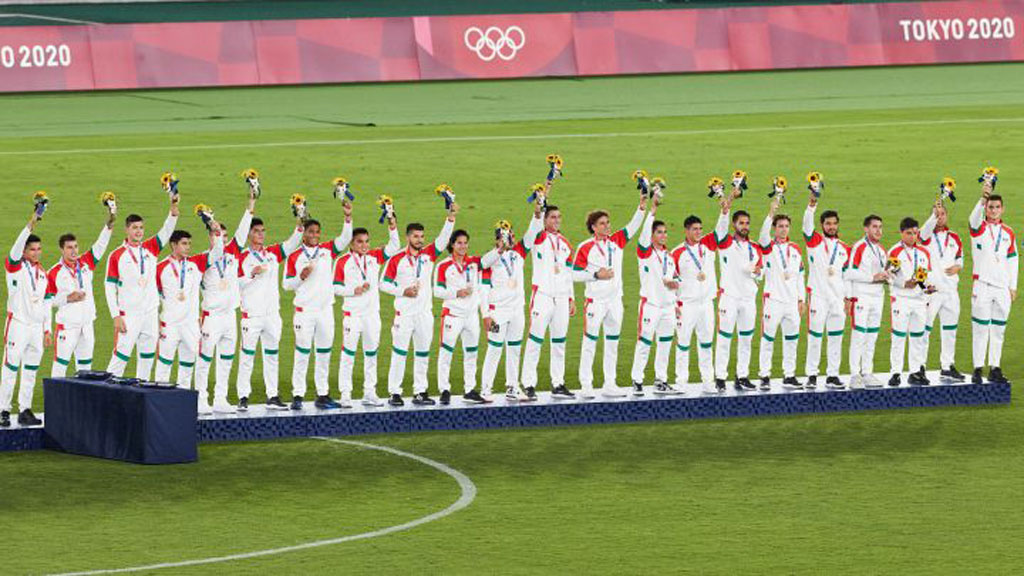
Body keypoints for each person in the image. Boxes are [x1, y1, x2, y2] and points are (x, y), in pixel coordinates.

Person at [381, 204, 457, 406]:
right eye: (416, 237)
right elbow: (383, 283)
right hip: (404, 314)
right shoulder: (396, 258)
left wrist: (451, 218)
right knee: (399, 354)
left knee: (423, 354)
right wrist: (402, 291)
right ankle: (394, 393)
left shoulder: (428, 255)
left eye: (422, 236)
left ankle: (420, 392)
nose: (420, 240)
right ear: (408, 237)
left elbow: (442, 240)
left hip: (424, 314)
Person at [571, 199, 647, 398]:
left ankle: (609, 383)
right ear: (593, 227)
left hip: (615, 301)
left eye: (608, 222)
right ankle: (586, 385)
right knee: (590, 342)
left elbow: (633, 225)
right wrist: (596, 275)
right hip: (595, 302)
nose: (607, 226)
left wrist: (641, 206)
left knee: (612, 343)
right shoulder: (585, 247)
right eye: (603, 223)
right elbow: (573, 274)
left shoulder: (616, 241)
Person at [283, 205, 354, 410]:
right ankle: (297, 395)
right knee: (302, 354)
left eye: (317, 232)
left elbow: (344, 238)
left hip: (325, 312)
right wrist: (300, 277)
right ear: (303, 234)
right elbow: (286, 284)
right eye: (310, 232)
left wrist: (348, 217)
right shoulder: (295, 256)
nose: (314, 235)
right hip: (305, 313)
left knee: (324, 354)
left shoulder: (326, 251)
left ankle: (322, 394)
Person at [105, 194, 179, 379]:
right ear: (127, 230)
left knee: (147, 356)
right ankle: (107, 395)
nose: (139, 231)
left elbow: (167, 229)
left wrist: (173, 207)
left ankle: (140, 394)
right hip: (128, 314)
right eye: (134, 228)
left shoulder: (151, 248)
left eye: (141, 228)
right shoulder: (117, 255)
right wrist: (116, 316)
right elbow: (109, 286)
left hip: (150, 312)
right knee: (120, 356)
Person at [236, 212, 304, 411]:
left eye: (263, 231)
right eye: (256, 231)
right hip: (252, 316)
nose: (261, 234)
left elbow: (292, 243)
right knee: (247, 357)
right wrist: (251, 273)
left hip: (272, 315)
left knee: (272, 355)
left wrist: (300, 224)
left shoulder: (273, 254)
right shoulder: (241, 257)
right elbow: (235, 284)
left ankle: (272, 395)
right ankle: (242, 396)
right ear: (249, 234)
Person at [192, 200, 254, 414]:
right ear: (210, 236)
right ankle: (200, 398)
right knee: (205, 358)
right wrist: (213, 226)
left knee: (226, 358)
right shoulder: (202, 259)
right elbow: (216, 252)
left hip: (230, 316)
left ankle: (220, 398)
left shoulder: (233, 256)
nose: (223, 240)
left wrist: (250, 204)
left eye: (226, 237)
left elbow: (243, 230)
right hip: (212, 317)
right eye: (219, 236)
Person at [333, 217, 400, 407]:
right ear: (352, 243)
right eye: (360, 242)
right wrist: (352, 291)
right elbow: (335, 287)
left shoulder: (374, 259)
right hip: (352, 316)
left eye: (367, 241)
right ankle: (345, 393)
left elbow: (395, 245)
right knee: (348, 354)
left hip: (372, 315)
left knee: (371, 354)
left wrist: (392, 224)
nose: (364, 245)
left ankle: (369, 392)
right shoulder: (342, 261)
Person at [154, 228, 223, 409]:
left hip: (190, 325)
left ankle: (181, 405)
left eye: (189, 244)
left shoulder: (195, 264)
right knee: (164, 365)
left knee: (188, 363)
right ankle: (161, 405)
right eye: (184, 244)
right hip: (169, 324)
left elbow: (218, 252)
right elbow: (154, 297)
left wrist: (215, 230)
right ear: (173, 245)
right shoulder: (160, 268)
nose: (187, 247)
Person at [670, 197, 730, 394]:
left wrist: (724, 212)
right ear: (686, 231)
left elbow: (721, 229)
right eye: (694, 229)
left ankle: (707, 381)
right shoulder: (677, 253)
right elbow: (671, 281)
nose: (698, 232)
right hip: (686, 305)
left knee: (706, 343)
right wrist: (674, 304)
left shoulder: (708, 246)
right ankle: (681, 382)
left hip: (706, 304)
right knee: (683, 344)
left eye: (700, 229)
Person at [47, 205, 115, 377]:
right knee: (60, 367)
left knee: (85, 369)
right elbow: (46, 301)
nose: (74, 251)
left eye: (76, 247)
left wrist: (110, 222)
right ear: (62, 249)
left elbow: (100, 245)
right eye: (70, 247)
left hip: (87, 324)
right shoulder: (54, 272)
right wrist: (67, 298)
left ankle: (80, 403)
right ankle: (56, 402)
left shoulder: (85, 264)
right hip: (67, 327)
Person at [479, 216, 542, 401]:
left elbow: (533, 229)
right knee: (494, 349)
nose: (510, 239)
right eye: (505, 236)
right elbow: (483, 264)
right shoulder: (492, 258)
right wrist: (486, 315)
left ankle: (512, 386)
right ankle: (485, 389)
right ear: (497, 239)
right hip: (498, 312)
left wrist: (538, 212)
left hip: (517, 311)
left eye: (511, 235)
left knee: (514, 349)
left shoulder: (519, 253)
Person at [521, 201, 577, 399]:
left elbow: (568, 272)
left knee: (559, 342)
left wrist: (571, 297)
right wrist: (538, 209)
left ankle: (558, 383)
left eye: (559, 217)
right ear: (545, 220)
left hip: (561, 297)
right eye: (552, 217)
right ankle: (528, 384)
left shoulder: (565, 244)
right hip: (542, 296)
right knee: (535, 341)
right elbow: (534, 227)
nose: (556, 220)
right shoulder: (539, 238)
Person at [1, 211, 50, 427]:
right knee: (10, 368)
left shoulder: (43, 273)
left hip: (35, 328)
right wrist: (32, 222)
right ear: (24, 250)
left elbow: (45, 304)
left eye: (39, 249)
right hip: (18, 325)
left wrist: (46, 329)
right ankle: (3, 410)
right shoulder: (14, 267)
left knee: (30, 369)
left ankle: (25, 409)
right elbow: (16, 246)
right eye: (32, 249)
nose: (36, 253)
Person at [630, 195, 681, 394]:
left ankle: (661, 380)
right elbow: (643, 236)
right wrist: (652, 211)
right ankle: (637, 380)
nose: (663, 235)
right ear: (651, 235)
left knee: (665, 344)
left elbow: (676, 279)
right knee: (644, 343)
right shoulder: (645, 252)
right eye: (659, 232)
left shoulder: (669, 256)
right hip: (650, 305)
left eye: (665, 232)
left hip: (668, 307)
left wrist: (675, 300)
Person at [968, 181, 1018, 384]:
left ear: (1002, 209)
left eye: (997, 207)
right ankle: (978, 368)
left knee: (999, 330)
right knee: (980, 328)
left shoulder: (1008, 232)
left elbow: (1013, 260)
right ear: (986, 209)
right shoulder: (978, 228)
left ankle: (995, 367)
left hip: (1002, 288)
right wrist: (982, 199)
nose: (994, 210)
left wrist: (1013, 286)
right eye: (991, 207)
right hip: (982, 286)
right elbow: (972, 219)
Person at [714, 191, 764, 391]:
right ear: (734, 224)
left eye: (747, 223)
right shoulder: (726, 244)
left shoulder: (755, 247)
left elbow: (761, 273)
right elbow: (720, 230)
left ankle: (742, 376)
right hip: (729, 298)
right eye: (741, 223)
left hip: (748, 299)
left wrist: (758, 272)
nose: (745, 226)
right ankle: (720, 377)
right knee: (724, 339)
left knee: (746, 339)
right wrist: (726, 210)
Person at [433, 230, 489, 404]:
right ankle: (444, 390)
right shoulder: (443, 265)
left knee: (471, 353)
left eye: (465, 243)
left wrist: (501, 247)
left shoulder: (473, 263)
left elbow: (490, 259)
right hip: (453, 315)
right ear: (452, 244)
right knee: (446, 353)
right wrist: (456, 292)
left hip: (471, 316)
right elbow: (437, 291)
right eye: (459, 243)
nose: (463, 246)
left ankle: (470, 389)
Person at [802, 194, 851, 389]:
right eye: (828, 224)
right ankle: (812, 375)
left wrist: (848, 298)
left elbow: (847, 276)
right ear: (822, 225)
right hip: (818, 297)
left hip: (837, 299)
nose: (831, 227)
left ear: (838, 225)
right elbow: (806, 226)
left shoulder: (845, 249)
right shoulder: (814, 242)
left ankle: (832, 375)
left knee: (836, 338)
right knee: (815, 337)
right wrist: (811, 207)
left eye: (834, 224)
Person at [757, 198, 806, 391]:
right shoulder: (768, 247)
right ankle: (765, 375)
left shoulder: (795, 249)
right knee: (768, 339)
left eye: (786, 226)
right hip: (774, 301)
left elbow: (801, 275)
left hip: (792, 303)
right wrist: (770, 213)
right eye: (780, 226)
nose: (784, 229)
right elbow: (762, 236)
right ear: (774, 228)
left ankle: (789, 375)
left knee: (791, 340)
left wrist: (802, 299)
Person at [919, 199, 965, 381]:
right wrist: (933, 214)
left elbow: (960, 257)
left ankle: (947, 365)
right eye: (937, 215)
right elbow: (923, 233)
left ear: (947, 216)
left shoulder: (955, 237)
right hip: (933, 291)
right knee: (925, 329)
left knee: (950, 330)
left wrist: (958, 267)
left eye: (942, 214)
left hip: (951, 291)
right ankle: (919, 366)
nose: (940, 217)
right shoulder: (926, 236)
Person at [886, 217, 934, 387]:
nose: (912, 236)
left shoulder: (924, 253)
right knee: (898, 337)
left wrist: (928, 287)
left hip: (919, 301)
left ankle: (915, 372)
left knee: (917, 337)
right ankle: (896, 373)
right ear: (901, 233)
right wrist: (903, 283)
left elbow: (925, 276)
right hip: (901, 299)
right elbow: (888, 276)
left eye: (915, 233)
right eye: (909, 233)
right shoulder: (894, 252)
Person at [845, 214, 890, 389]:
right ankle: (854, 375)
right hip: (862, 297)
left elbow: (884, 274)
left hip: (878, 297)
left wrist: (889, 276)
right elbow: (849, 273)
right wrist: (873, 277)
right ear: (866, 228)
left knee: (871, 337)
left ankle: (867, 372)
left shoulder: (881, 250)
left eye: (880, 227)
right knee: (859, 336)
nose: (878, 230)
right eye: (874, 227)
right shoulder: (860, 247)